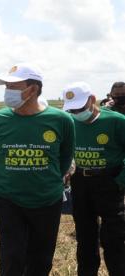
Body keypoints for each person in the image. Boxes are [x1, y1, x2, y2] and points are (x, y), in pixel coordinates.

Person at [0, 63, 75, 276]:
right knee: (11, 257)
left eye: (13, 86)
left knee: (41, 259)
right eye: (6, 87)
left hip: (47, 201)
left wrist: (47, 180)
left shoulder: (61, 120)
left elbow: (66, 156)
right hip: (8, 201)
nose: (7, 92)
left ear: (33, 89)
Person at [62, 82, 125, 276]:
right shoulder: (70, 122)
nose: (76, 112)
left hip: (109, 182)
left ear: (92, 99)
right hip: (80, 182)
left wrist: (120, 181)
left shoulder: (116, 121)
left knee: (114, 238)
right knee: (85, 236)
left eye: (80, 108)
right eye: (72, 109)